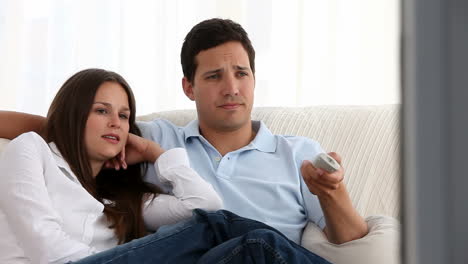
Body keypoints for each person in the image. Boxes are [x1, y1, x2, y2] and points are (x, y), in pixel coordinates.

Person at [0, 18, 368, 247]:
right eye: (213, 76)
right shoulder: (157, 139)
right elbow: (75, 127)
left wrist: (333, 191)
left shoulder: (298, 153)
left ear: (254, 80)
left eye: (241, 73)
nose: (231, 88)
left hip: (265, 257)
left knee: (256, 241)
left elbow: (350, 237)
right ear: (188, 87)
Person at [0, 69, 333, 264]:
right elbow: (46, 247)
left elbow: (205, 204)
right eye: (102, 111)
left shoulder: (120, 200)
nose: (116, 123)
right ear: (74, 114)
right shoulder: (31, 151)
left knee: (258, 245)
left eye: (124, 116)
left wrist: (154, 152)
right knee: (216, 227)